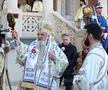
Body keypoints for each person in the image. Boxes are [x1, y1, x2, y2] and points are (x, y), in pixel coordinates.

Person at [11, 21, 69, 90]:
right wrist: (16, 39)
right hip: (31, 84)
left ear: (48, 36)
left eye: (42, 34)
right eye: (38, 34)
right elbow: (23, 53)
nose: (39, 36)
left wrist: (54, 57)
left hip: (47, 85)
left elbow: (65, 62)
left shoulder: (54, 47)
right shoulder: (33, 46)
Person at [73, 24, 108, 90]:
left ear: (90, 36)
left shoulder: (93, 56)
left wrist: (75, 79)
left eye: (85, 34)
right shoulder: (102, 52)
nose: (83, 37)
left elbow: (85, 83)